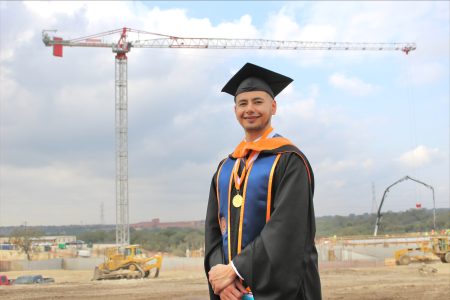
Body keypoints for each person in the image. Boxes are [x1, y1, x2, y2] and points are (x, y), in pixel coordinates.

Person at [204, 62, 322, 300]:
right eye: (243, 103)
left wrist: (236, 270)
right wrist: (220, 274)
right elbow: (214, 230)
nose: (250, 109)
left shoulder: (289, 160)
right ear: (235, 109)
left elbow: (287, 228)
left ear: (273, 106)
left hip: (279, 290)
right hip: (232, 293)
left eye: (258, 102)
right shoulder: (226, 168)